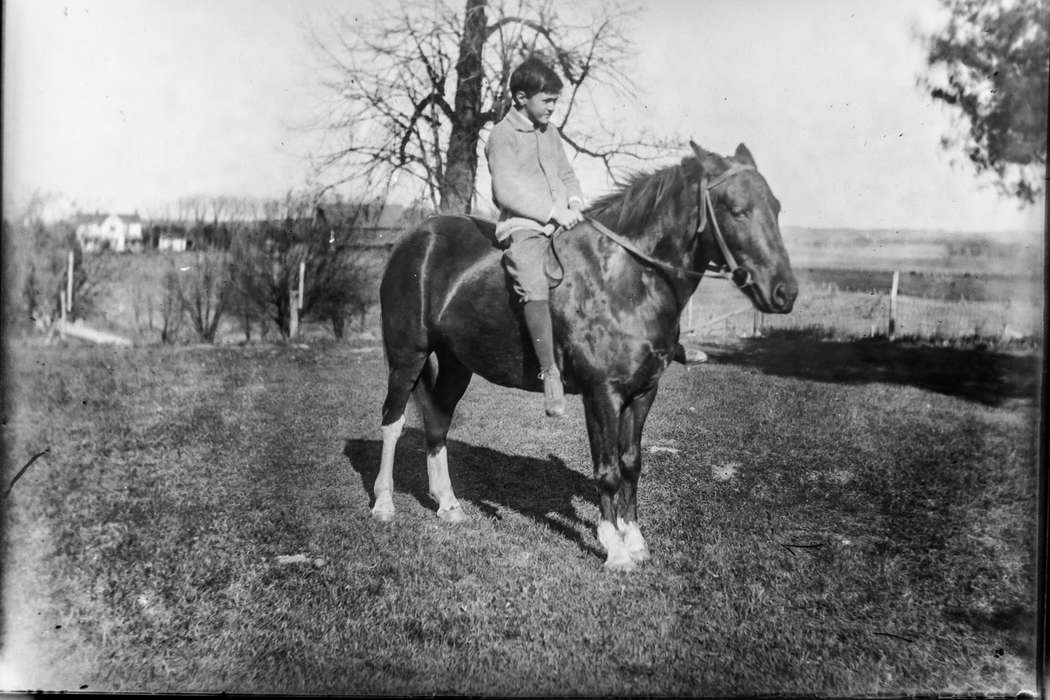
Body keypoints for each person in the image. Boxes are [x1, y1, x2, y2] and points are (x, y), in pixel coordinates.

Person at [485, 56, 584, 418]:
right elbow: (505, 190)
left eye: (556, 101)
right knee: (534, 280)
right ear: (521, 97)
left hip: (562, 225)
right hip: (524, 228)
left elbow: (568, 175)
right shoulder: (502, 135)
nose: (553, 108)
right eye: (548, 101)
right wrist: (551, 211)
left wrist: (573, 202)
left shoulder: (550, 133)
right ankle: (550, 373)